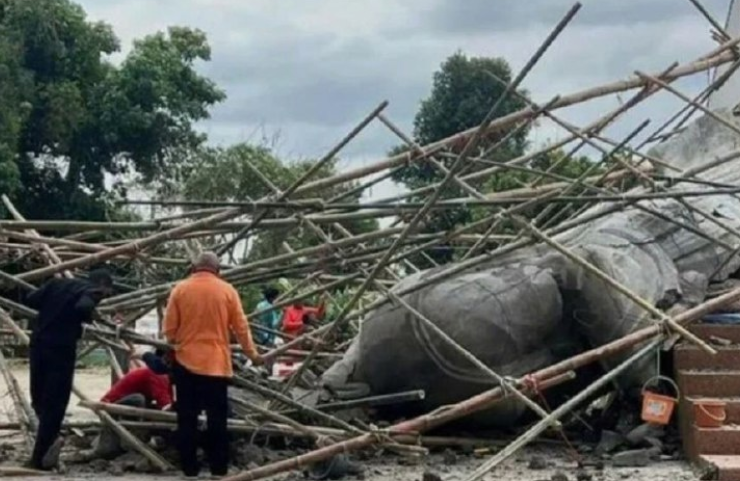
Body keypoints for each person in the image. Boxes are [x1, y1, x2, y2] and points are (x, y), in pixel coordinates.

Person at [163, 252, 263, 479]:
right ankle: (219, 470)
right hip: (216, 365)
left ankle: (190, 469)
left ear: (193, 268)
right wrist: (253, 355)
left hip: (185, 363)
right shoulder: (228, 291)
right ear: (218, 270)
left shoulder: (180, 289)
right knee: (217, 419)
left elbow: (169, 331)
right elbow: (241, 328)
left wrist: (174, 347)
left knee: (186, 419)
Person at [23, 269, 113, 471]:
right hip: (60, 350)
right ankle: (41, 457)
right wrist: (87, 317)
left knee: (38, 397)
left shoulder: (56, 283)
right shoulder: (92, 291)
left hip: (38, 345)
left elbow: (30, 299)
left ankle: (47, 445)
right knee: (55, 404)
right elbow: (83, 307)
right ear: (103, 286)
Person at [94, 349, 173, 459]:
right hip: (111, 406)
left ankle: (142, 437)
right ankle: (135, 439)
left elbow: (168, 401)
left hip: (123, 405)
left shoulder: (166, 377)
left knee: (147, 405)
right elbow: (165, 404)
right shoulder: (158, 374)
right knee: (139, 399)